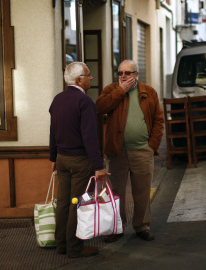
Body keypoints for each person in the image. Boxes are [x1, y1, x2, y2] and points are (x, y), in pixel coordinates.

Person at [96, 60, 164, 242]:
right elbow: (100, 108)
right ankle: (117, 228)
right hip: (117, 152)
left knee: (141, 191)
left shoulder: (148, 92)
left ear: (136, 74)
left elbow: (159, 119)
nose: (123, 76)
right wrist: (121, 91)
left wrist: (152, 146)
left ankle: (142, 226)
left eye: (127, 73)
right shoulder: (111, 90)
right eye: (120, 73)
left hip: (142, 151)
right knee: (116, 192)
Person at [49, 62, 110, 258]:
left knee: (64, 203)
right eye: (88, 75)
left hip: (62, 159)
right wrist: (99, 166)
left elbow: (53, 131)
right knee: (77, 203)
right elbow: (90, 137)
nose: (91, 78)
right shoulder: (85, 102)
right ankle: (75, 248)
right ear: (79, 80)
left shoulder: (57, 99)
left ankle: (61, 245)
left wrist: (53, 157)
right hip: (80, 161)